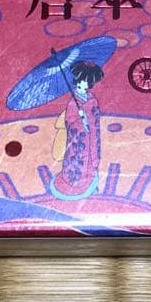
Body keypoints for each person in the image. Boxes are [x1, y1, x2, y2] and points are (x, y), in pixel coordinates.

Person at [49, 60, 105, 200]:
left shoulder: (92, 99)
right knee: (79, 160)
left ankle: (91, 185)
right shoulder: (72, 103)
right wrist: (80, 120)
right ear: (77, 81)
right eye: (82, 81)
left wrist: (88, 120)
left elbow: (95, 116)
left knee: (92, 158)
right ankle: (76, 184)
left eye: (86, 82)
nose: (84, 85)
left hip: (92, 136)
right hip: (79, 140)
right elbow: (69, 120)